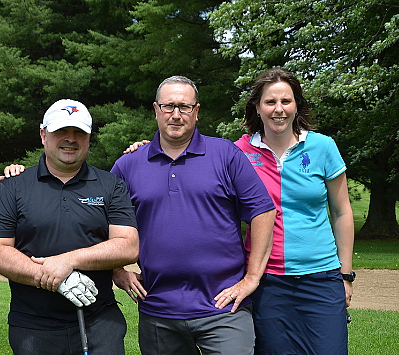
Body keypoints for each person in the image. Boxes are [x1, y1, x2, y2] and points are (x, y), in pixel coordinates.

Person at [111, 76, 277, 355]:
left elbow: (262, 211)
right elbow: (103, 220)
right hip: (158, 310)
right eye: (168, 106)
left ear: (196, 111)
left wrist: (251, 279)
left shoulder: (225, 154)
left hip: (224, 308)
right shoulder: (128, 164)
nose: (176, 115)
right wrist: (116, 271)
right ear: (155, 110)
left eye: (184, 107)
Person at [0, 99, 139, 355]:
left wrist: (68, 261)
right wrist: (57, 278)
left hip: (100, 322)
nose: (70, 139)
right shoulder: (13, 186)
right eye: (61, 132)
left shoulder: (111, 185)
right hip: (33, 325)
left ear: (89, 138)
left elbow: (128, 246)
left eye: (79, 132)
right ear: (43, 135)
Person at [234, 68, 354, 355]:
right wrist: (148, 147)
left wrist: (345, 275)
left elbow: (342, 212)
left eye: (286, 101)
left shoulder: (323, 146)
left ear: (296, 104)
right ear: (257, 107)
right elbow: (194, 158)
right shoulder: (237, 152)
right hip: (267, 281)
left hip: (322, 278)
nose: (279, 109)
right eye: (270, 102)